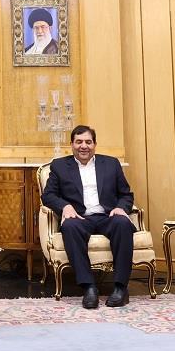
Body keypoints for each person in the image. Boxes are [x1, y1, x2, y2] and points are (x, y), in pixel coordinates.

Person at [40, 125, 137, 308]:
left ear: (94, 144)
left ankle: (120, 288)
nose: (83, 146)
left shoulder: (111, 164)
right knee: (69, 226)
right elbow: (48, 195)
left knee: (123, 223)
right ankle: (89, 288)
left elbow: (126, 194)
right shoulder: (60, 166)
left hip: (108, 215)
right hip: (80, 217)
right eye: (79, 142)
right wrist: (65, 206)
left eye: (88, 142)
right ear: (72, 144)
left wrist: (120, 208)